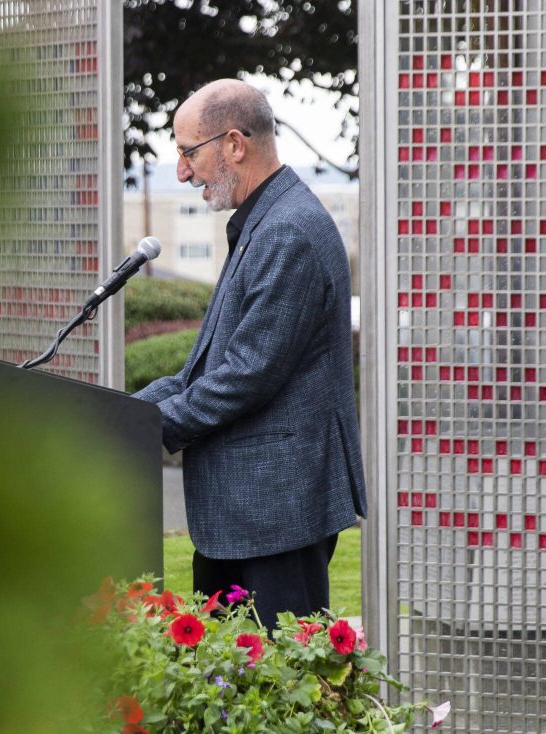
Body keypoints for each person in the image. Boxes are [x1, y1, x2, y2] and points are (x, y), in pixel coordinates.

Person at [133, 79, 366, 631]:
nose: (184, 172)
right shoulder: (266, 221)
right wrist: (125, 412)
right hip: (251, 512)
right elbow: (207, 368)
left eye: (188, 153)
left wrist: (143, 426)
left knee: (279, 691)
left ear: (234, 144)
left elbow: (245, 375)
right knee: (227, 687)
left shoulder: (289, 231)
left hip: (276, 513)